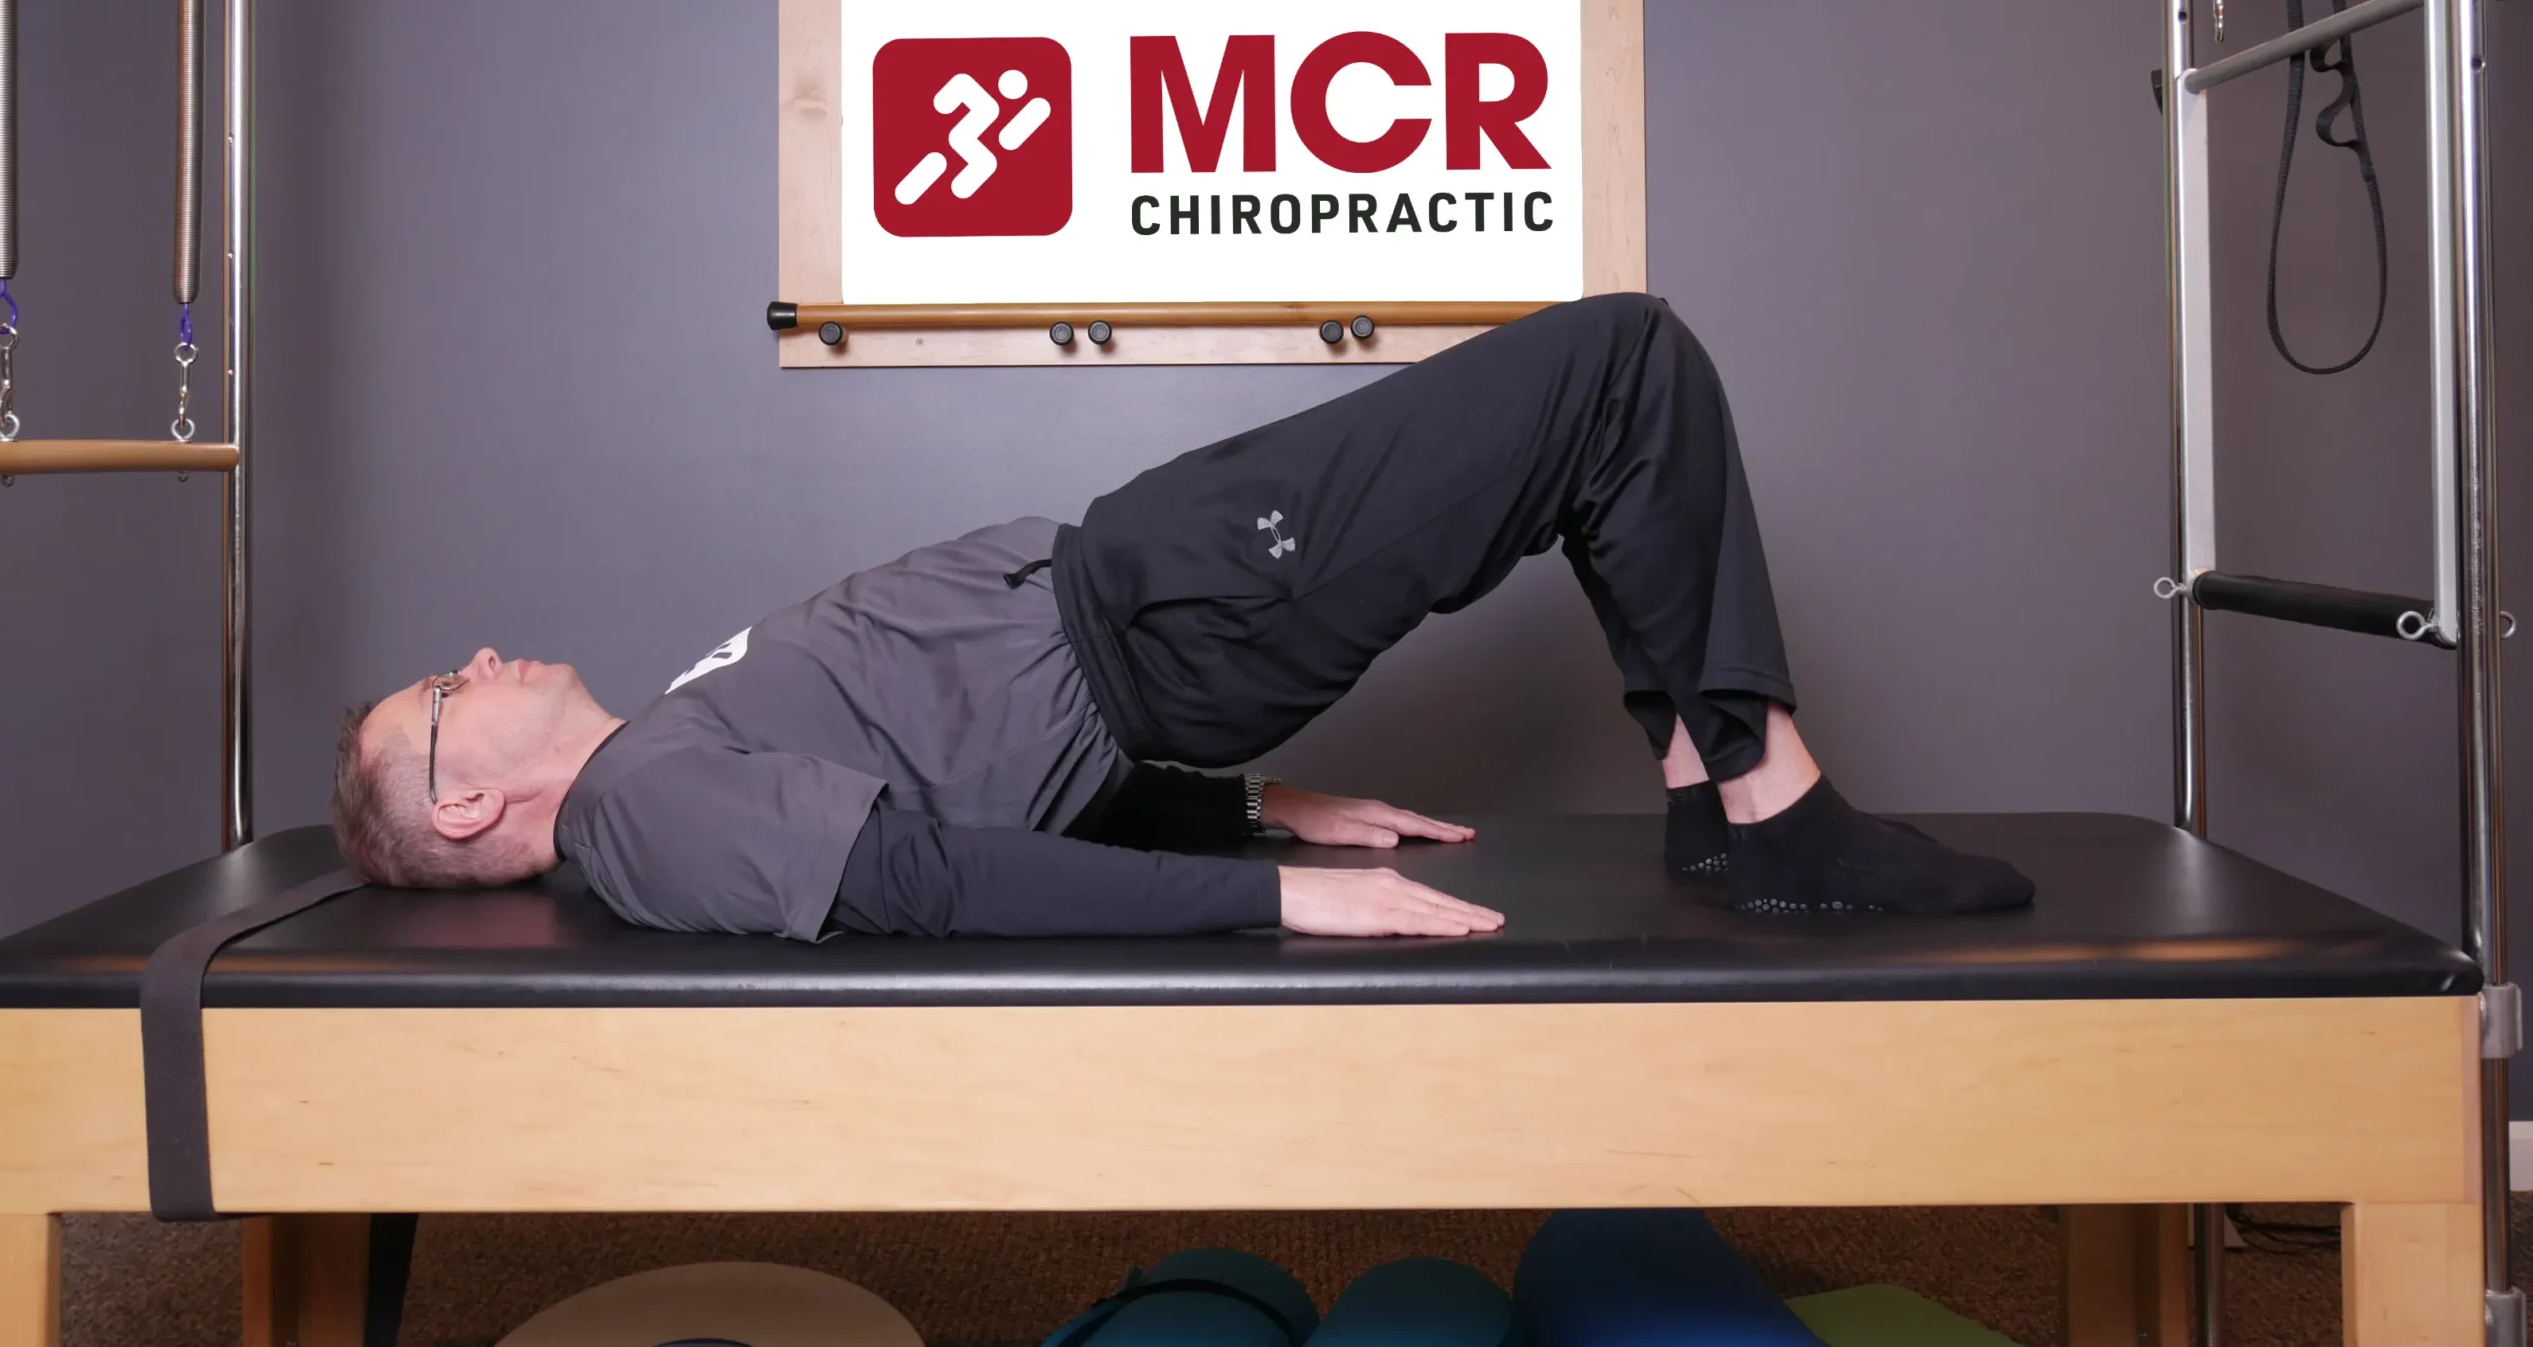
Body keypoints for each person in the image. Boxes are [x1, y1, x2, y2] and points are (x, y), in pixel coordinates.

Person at [332, 294, 2033, 939]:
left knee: (1595, 426)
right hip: (1175, 609)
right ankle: (1774, 809)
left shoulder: (659, 761)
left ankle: (1721, 803)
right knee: (1622, 365)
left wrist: (1251, 806)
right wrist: (1276, 896)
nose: (472, 657)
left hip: (1156, 585)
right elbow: (930, 878)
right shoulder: (644, 812)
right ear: (465, 802)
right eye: (440, 693)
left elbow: (949, 771)